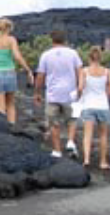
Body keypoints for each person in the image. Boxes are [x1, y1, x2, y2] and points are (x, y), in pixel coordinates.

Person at [33, 29, 83, 157]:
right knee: (72, 119)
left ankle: (57, 150)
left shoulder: (46, 55)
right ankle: (70, 142)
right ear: (65, 40)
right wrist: (80, 87)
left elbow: (40, 75)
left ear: (52, 40)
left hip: (52, 94)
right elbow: (80, 71)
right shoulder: (73, 54)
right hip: (71, 93)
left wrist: (37, 92)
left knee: (54, 123)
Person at [0, 18, 34, 126]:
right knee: (10, 104)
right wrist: (27, 69)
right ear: (8, 28)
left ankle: (3, 130)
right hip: (10, 73)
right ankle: (12, 127)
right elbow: (17, 56)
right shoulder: (11, 40)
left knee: (0, 107)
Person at [76, 47, 110, 169]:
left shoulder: (84, 71)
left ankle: (87, 159)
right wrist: (106, 95)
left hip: (89, 104)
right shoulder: (107, 71)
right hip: (102, 105)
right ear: (100, 58)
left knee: (88, 134)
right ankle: (103, 161)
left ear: (89, 58)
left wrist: (78, 97)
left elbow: (81, 87)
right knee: (103, 135)